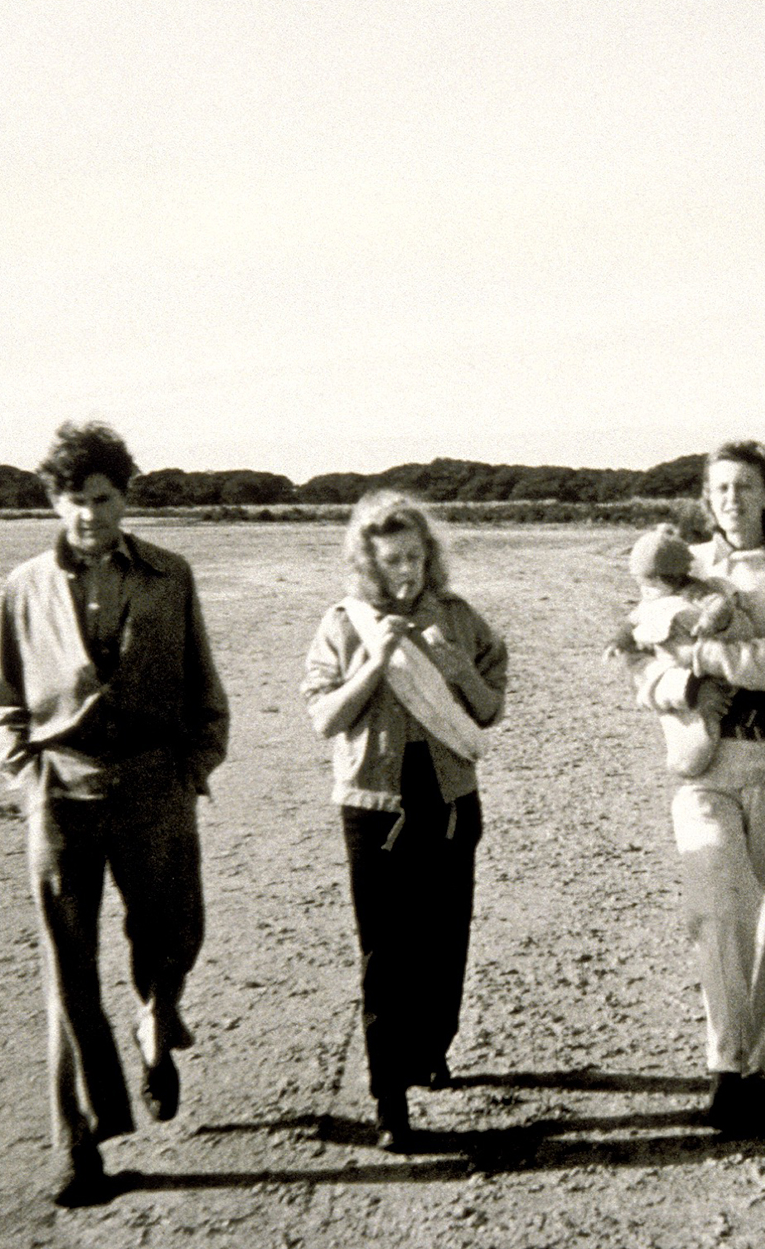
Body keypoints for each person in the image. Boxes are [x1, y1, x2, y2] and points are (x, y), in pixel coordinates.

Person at [0, 421, 230, 1207]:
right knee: (68, 975)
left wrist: (193, 764)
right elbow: (0, 700)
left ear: (125, 497)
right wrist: (23, 769)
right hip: (62, 797)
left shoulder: (169, 575)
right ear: (53, 502)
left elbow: (203, 691)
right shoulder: (24, 586)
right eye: (72, 500)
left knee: (173, 938)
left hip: (156, 789)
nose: (87, 515)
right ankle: (78, 1145)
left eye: (101, 498)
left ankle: (157, 1024)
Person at [624, 441, 765, 1135]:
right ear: (706, 498)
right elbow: (639, 661)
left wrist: (696, 653)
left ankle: (757, 1072)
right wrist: (682, 683)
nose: (730, 499)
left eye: (745, 487)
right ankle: (726, 1067)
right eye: (719, 487)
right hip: (704, 763)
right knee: (716, 906)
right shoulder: (683, 564)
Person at [302, 491, 508, 1152]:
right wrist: (371, 663)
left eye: (416, 558)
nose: (407, 573)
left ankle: (433, 1046)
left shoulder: (458, 618)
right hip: (373, 804)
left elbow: (488, 712)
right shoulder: (343, 624)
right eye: (392, 561)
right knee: (384, 953)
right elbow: (325, 718)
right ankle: (389, 1097)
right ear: (368, 562)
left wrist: (452, 669)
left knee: (444, 938)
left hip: (449, 797)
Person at [605, 524, 755, 779]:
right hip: (674, 668)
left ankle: (700, 742)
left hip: (702, 663)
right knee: (678, 717)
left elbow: (720, 605)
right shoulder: (650, 599)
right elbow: (631, 622)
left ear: (667, 578)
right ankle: (688, 748)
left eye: (649, 584)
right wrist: (618, 642)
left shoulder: (694, 590)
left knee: (706, 717)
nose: (644, 591)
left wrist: (708, 621)